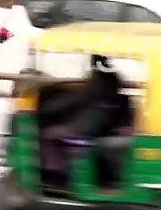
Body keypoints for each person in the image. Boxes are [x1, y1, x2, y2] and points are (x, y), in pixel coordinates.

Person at [38, 55, 133, 189]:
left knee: (49, 135)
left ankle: (57, 177)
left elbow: (71, 103)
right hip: (106, 128)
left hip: (87, 132)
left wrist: (47, 109)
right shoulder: (113, 80)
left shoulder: (96, 84)